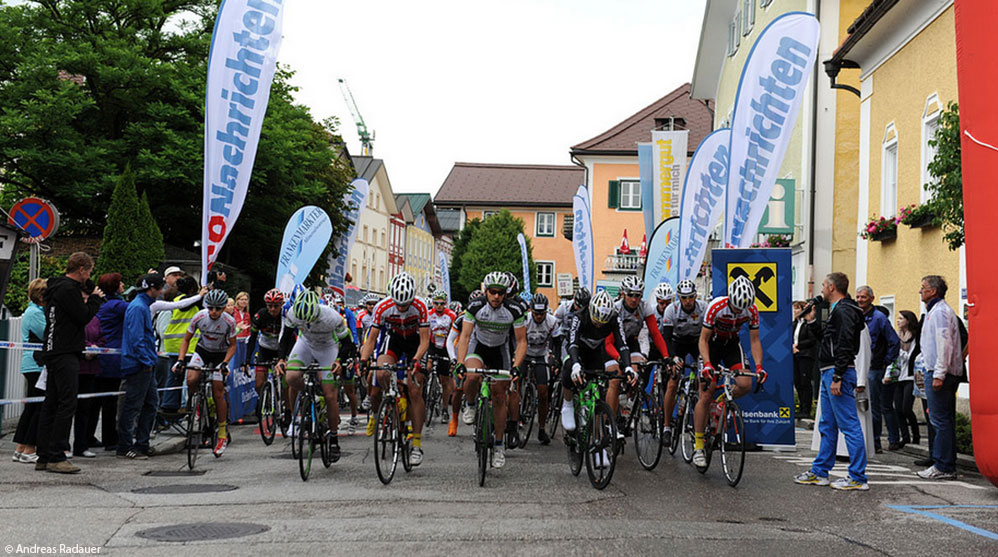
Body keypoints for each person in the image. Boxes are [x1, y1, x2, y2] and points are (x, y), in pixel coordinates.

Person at [794, 272, 869, 491]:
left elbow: (845, 343)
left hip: (838, 372)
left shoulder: (845, 311)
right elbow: (828, 340)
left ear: (833, 287)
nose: (822, 290)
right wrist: (813, 321)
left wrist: (838, 375)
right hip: (830, 370)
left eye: (824, 286)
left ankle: (857, 476)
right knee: (827, 424)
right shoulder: (838, 310)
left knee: (849, 424)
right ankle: (820, 472)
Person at [34, 252, 105, 474]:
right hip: (65, 351)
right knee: (67, 403)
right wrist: (94, 298)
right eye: (89, 271)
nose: (89, 276)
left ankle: (44, 455)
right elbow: (83, 316)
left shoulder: (55, 288)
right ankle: (56, 454)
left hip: (54, 349)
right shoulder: (68, 290)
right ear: (81, 270)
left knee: (52, 403)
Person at [454, 272, 528, 468]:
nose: (496, 297)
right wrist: (460, 361)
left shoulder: (514, 310)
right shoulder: (475, 306)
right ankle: (470, 404)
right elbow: (465, 337)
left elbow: (521, 342)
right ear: (485, 291)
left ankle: (498, 445)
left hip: (500, 350)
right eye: (493, 292)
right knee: (470, 376)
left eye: (501, 293)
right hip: (478, 347)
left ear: (506, 293)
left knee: (499, 397)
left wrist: (515, 367)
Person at [693, 276, 767, 469]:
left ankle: (720, 403)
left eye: (741, 308)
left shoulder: (751, 309)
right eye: (735, 307)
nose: (737, 311)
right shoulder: (716, 306)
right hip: (712, 346)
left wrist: (759, 367)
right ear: (730, 299)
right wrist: (708, 364)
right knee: (706, 393)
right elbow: (703, 340)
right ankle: (698, 446)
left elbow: (755, 340)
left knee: (745, 384)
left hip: (732, 345)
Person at [360, 272, 431, 467]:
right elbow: (372, 338)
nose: (400, 308)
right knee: (381, 371)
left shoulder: (420, 306)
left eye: (405, 304)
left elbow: (425, 340)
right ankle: (390, 400)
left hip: (415, 342)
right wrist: (364, 359)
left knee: (415, 390)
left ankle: (416, 443)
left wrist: (416, 360)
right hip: (394, 340)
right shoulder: (383, 307)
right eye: (398, 304)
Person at [277, 290, 357, 463]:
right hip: (305, 344)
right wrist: (281, 359)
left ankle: (334, 439)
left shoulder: (332, 316)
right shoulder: (292, 313)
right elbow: (285, 338)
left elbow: (347, 343)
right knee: (290, 377)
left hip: (328, 348)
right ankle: (307, 396)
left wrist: (339, 361)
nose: (307, 323)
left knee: (330, 395)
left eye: (310, 319)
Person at [561, 289, 637, 468]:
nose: (598, 326)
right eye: (596, 321)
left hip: (596, 353)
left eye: (602, 323)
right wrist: (575, 364)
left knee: (596, 400)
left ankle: (599, 446)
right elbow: (572, 343)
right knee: (568, 368)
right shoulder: (580, 317)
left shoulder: (614, 318)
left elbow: (622, 344)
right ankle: (568, 403)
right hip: (576, 350)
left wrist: (627, 366)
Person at [173, 288, 238, 457]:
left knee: (218, 390)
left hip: (220, 354)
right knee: (191, 378)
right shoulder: (199, 317)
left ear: (224, 308)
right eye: (210, 308)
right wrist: (180, 360)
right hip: (202, 350)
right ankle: (199, 403)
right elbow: (186, 340)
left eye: (218, 308)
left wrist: (225, 363)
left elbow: (233, 345)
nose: (214, 312)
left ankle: (222, 432)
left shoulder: (229, 322)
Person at [916, 275, 963, 480]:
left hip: (939, 372)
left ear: (933, 291)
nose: (920, 291)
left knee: (940, 420)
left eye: (923, 287)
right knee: (943, 420)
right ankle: (945, 463)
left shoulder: (941, 313)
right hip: (937, 370)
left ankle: (943, 465)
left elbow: (945, 345)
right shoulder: (933, 311)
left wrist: (939, 374)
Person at [116, 274, 166, 459]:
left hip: (144, 364)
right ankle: (125, 446)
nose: (161, 292)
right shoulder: (138, 308)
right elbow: (137, 339)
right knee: (133, 406)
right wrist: (146, 361)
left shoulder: (141, 305)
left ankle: (142, 443)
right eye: (160, 288)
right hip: (139, 365)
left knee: (151, 404)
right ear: (152, 288)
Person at [661, 279, 706, 446]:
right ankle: (666, 426)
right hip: (677, 343)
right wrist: (673, 357)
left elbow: (708, 336)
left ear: (695, 296)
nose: (688, 301)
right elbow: (665, 338)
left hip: (697, 342)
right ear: (678, 297)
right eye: (684, 298)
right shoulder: (671, 310)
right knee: (673, 382)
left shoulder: (704, 308)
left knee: (704, 380)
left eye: (691, 297)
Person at [855, 285, 900, 452]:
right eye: (858, 297)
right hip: (858, 366)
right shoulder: (855, 316)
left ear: (872, 299)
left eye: (863, 297)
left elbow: (894, 341)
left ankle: (875, 442)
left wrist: (885, 362)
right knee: (860, 405)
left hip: (874, 368)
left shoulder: (879, 318)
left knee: (873, 406)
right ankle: (864, 440)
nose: (860, 300)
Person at [12, 279, 47, 464]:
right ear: (41, 296)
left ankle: (20, 447)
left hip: (34, 363)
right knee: (38, 407)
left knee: (32, 407)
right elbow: (47, 332)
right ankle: (29, 447)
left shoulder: (33, 311)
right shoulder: (35, 313)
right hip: (36, 364)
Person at [158, 277, 205, 412]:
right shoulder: (194, 302)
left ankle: (168, 404)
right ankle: (185, 405)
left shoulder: (176, 300)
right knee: (187, 378)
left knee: (173, 375)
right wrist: (201, 295)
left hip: (172, 343)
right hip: (187, 343)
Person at [523, 292, 560, 445]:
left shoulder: (552, 322)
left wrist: (555, 360)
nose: (539, 316)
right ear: (531, 310)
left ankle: (542, 428)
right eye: (536, 313)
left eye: (542, 313)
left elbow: (557, 342)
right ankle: (514, 416)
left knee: (543, 393)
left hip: (540, 355)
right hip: (524, 354)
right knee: (515, 383)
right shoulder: (525, 320)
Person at [885, 310, 920, 448]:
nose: (898, 321)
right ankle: (905, 437)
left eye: (901, 318)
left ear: (908, 320)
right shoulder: (896, 337)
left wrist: (901, 354)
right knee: (897, 408)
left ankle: (916, 435)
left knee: (906, 408)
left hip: (911, 376)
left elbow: (914, 356)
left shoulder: (915, 337)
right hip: (898, 377)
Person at [427, 291, 458, 432]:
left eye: (442, 303)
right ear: (433, 303)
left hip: (446, 347)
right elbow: (424, 334)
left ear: (445, 303)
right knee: (426, 370)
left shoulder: (451, 315)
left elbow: (455, 336)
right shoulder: (428, 314)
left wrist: (453, 355)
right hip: (433, 346)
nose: (439, 306)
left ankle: (445, 409)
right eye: (436, 303)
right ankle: (426, 395)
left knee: (445, 381)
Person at [331, 293, 361, 433]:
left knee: (350, 391)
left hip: (345, 358)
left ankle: (354, 415)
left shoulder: (345, 329)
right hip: (332, 359)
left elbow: (352, 345)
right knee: (333, 391)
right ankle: (333, 417)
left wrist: (352, 360)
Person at [73, 315, 102, 458]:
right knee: (69, 408)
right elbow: (72, 336)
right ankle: (63, 446)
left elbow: (103, 337)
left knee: (85, 410)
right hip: (77, 368)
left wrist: (97, 348)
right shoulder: (75, 316)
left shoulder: (96, 319)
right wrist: (88, 347)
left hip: (91, 369)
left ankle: (81, 445)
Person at [793, 300, 821, 420]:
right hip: (795, 355)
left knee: (805, 381)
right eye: (794, 309)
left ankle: (806, 409)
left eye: (797, 309)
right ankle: (800, 408)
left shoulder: (808, 323)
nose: (795, 312)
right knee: (798, 381)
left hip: (805, 355)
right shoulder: (795, 323)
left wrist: (798, 346)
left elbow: (812, 340)